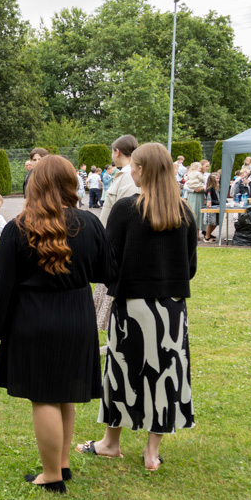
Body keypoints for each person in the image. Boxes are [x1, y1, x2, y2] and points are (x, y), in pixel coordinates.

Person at [0, 156, 114, 494]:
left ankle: (52, 475)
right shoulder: (89, 223)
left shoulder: (18, 227)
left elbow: (1, 286)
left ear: (35, 184)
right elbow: (107, 271)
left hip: (34, 317)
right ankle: (61, 464)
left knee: (44, 397)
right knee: (64, 393)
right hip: (77, 316)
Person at [78, 143, 197, 472]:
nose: (129, 169)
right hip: (171, 309)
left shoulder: (126, 209)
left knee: (122, 372)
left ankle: (110, 443)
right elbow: (190, 267)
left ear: (142, 169)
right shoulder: (184, 212)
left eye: (133, 166)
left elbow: (108, 260)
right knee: (165, 375)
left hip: (132, 306)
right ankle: (151, 452)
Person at [94, 135, 139, 341]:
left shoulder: (129, 176)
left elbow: (125, 213)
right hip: (109, 239)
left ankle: (119, 340)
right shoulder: (123, 174)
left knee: (115, 298)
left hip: (118, 242)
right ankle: (114, 340)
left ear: (117, 151)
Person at [183, 161, 205, 238]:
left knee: (199, 213)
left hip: (201, 195)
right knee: (193, 213)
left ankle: (198, 233)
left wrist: (203, 188)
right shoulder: (197, 174)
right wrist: (194, 190)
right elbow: (186, 186)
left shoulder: (190, 174)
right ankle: (194, 233)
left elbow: (207, 185)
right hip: (193, 195)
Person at [202, 171, 221, 242]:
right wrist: (219, 202)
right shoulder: (210, 189)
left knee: (215, 223)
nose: (218, 180)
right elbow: (209, 200)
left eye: (219, 178)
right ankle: (207, 237)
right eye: (217, 178)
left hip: (216, 207)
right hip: (211, 208)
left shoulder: (217, 188)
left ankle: (208, 235)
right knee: (210, 223)